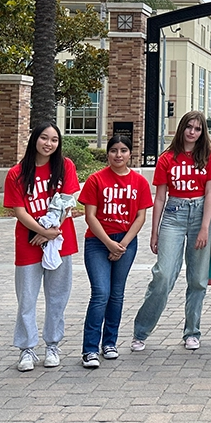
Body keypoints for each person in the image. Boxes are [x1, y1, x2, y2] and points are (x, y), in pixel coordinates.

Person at [131, 111, 211, 352]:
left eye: (198, 128)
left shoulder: (210, 157)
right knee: (163, 275)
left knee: (198, 279)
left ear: (203, 133)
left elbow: (210, 193)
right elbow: (159, 198)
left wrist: (204, 228)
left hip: (200, 213)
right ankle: (141, 331)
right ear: (182, 128)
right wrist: (154, 231)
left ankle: (192, 331)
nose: (192, 132)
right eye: (189, 127)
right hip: (173, 214)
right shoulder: (167, 158)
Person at [5, 124, 81, 372]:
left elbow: (68, 202)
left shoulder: (65, 166)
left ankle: (52, 345)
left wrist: (50, 232)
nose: (49, 144)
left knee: (57, 297)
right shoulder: (16, 173)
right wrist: (40, 231)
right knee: (26, 299)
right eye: (44, 138)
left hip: (60, 241)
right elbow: (19, 211)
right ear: (34, 139)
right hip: (29, 243)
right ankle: (27, 349)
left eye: (54, 140)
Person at [78, 135, 152, 368]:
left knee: (116, 294)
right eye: (113, 151)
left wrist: (123, 244)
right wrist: (109, 243)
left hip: (126, 242)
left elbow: (141, 216)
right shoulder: (95, 180)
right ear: (107, 153)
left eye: (123, 150)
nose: (118, 155)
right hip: (98, 242)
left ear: (130, 154)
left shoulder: (139, 182)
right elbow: (90, 216)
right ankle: (90, 349)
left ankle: (109, 343)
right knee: (101, 292)